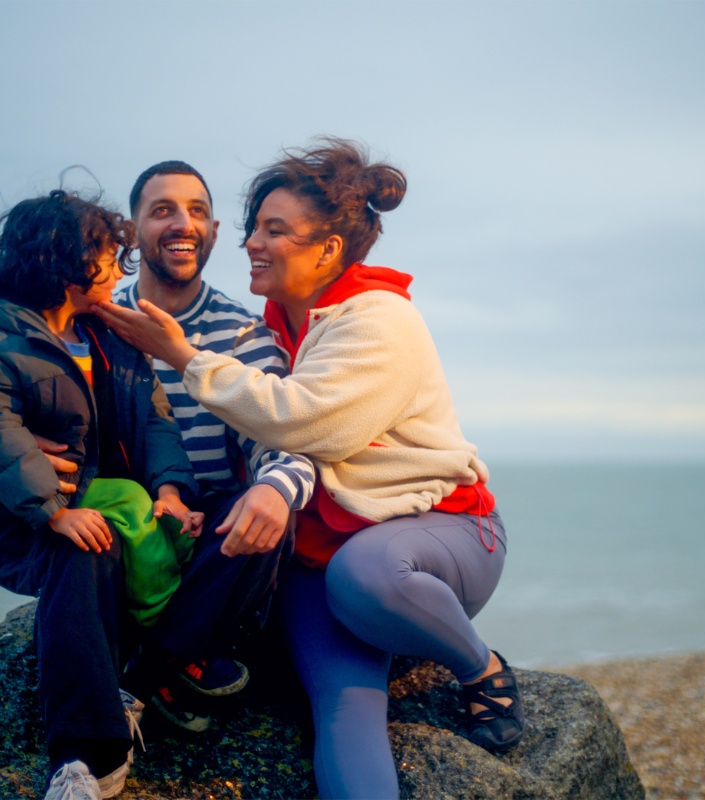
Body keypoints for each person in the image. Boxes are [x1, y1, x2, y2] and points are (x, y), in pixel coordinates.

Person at [95, 139, 524, 800]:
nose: (252, 245)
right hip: (323, 549)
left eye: (275, 231)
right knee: (341, 707)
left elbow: (303, 420)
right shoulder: (275, 325)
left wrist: (183, 357)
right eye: (252, 229)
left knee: (365, 578)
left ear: (327, 249)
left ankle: (480, 667)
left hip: (437, 533)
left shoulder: (380, 321)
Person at [0, 190, 201, 800]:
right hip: (34, 525)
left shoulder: (113, 335)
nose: (121, 269)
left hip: (118, 503)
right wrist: (55, 511)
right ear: (66, 263)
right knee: (86, 549)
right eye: (110, 258)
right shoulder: (9, 335)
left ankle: (146, 675)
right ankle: (82, 757)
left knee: (238, 534)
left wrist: (170, 488)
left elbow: (156, 418)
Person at [111, 161, 315, 730]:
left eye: (197, 211)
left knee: (262, 515)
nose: (183, 224)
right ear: (131, 232)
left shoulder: (242, 332)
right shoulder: (100, 319)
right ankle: (184, 659)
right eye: (162, 210)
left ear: (215, 230)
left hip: (207, 530)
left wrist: (275, 488)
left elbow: (282, 437)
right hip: (127, 517)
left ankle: (142, 679)